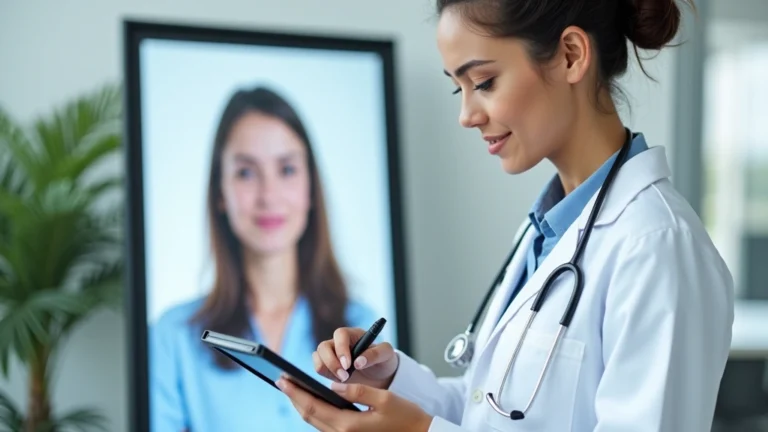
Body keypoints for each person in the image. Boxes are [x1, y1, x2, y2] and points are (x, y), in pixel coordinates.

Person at [276, 0, 736, 430]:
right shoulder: (546, 231)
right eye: (458, 87)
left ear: (572, 56)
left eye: (483, 82)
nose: (466, 115)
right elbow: (492, 409)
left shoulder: (658, 247)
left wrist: (420, 430)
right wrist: (390, 380)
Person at [149, 86, 382, 431]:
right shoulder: (173, 336)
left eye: (286, 169)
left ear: (310, 187)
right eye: (246, 172)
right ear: (220, 193)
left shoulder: (359, 328)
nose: (268, 195)